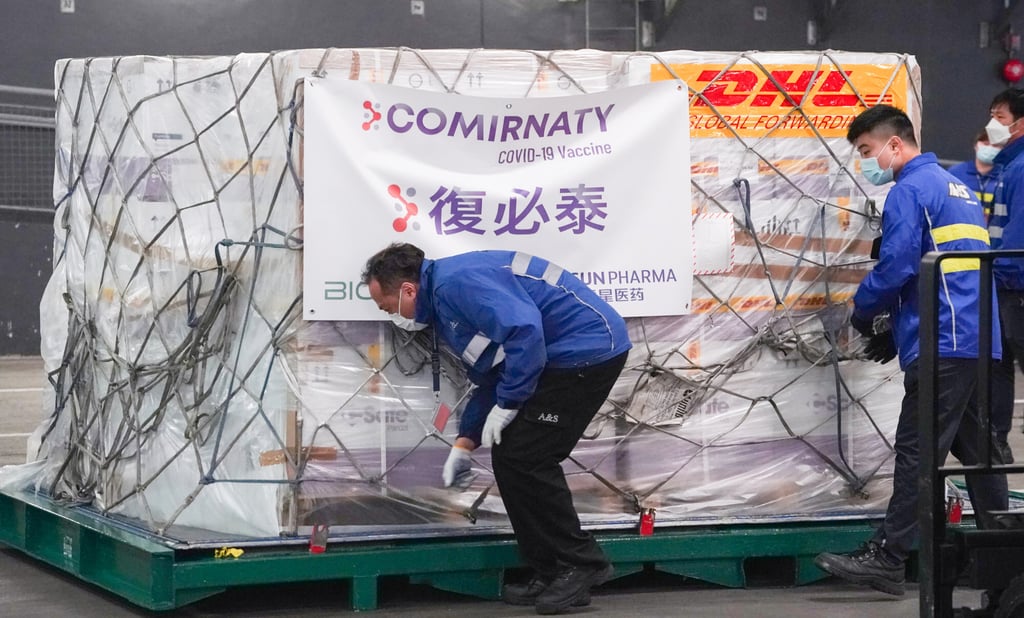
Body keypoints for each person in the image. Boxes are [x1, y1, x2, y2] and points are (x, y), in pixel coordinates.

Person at [361, 243, 632, 615]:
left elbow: (525, 333)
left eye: (388, 307)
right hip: (557, 356)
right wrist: (464, 442)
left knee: (528, 456)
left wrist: (510, 402)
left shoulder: (457, 284)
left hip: (587, 351)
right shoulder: (444, 304)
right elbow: (491, 372)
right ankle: (551, 569)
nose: (393, 317)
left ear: (408, 290)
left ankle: (582, 564)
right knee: (510, 456)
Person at [814, 105, 1008, 596]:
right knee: (983, 454)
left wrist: (861, 313)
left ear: (895, 145)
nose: (865, 162)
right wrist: (897, 330)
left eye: (866, 151)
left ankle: (889, 556)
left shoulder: (909, 190)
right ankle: (1003, 561)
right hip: (978, 339)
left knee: (918, 451)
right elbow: (943, 270)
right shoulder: (956, 187)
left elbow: (899, 265)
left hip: (944, 341)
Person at [987, 87, 1024, 463]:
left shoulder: (1022, 166)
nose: (991, 126)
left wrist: (1004, 274)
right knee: (997, 365)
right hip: (1005, 285)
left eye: (998, 117)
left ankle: (997, 444)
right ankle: (995, 445)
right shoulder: (1010, 166)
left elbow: (1018, 234)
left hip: (1015, 286)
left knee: (1002, 362)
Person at [947, 128, 1001, 221]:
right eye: (986, 144)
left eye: (995, 145)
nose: (990, 148)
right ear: (976, 145)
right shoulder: (956, 173)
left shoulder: (1005, 176)